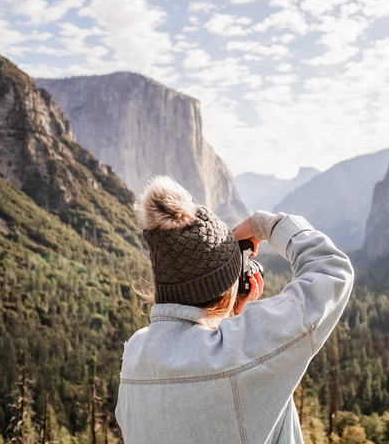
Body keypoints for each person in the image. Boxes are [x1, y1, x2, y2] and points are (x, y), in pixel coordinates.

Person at [115, 176, 354, 443]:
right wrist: (267, 225)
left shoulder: (134, 356)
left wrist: (229, 313)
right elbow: (332, 270)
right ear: (227, 289)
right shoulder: (239, 351)